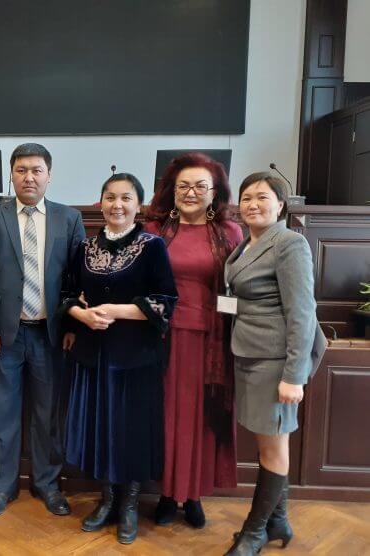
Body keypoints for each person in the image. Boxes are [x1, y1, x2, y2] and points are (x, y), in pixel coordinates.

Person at [62, 172, 178, 544]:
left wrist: (115, 310)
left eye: (126, 198)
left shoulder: (153, 246)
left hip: (136, 357)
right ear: (101, 204)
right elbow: (66, 294)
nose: (117, 205)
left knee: (132, 431)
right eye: (110, 197)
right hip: (94, 354)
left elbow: (166, 301)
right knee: (101, 429)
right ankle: (107, 500)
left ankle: (129, 504)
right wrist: (81, 315)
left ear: (138, 205)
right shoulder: (85, 247)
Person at [0, 143, 86, 517]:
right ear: (12, 175)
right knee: (3, 415)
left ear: (49, 175)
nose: (29, 177)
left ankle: (47, 484)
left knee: (47, 415)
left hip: (50, 335)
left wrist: (72, 325)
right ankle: (2, 488)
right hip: (6, 336)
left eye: (37, 170)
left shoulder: (69, 218)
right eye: (21, 170)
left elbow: (76, 280)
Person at [144, 152, 242, 528]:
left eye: (201, 186)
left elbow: (237, 288)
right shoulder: (155, 230)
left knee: (200, 418)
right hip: (161, 339)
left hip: (210, 342)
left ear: (215, 192)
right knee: (166, 416)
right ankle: (168, 494)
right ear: (172, 190)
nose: (191, 192)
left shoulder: (229, 233)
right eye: (183, 185)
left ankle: (194, 494)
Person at [224, 173, 318, 555]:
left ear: (280, 205)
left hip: (275, 362)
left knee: (273, 447)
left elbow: (302, 313)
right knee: (269, 443)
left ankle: (255, 532)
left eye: (262, 197)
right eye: (246, 197)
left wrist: (294, 376)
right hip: (249, 354)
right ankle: (278, 521)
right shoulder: (245, 245)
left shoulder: (290, 243)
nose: (253, 204)